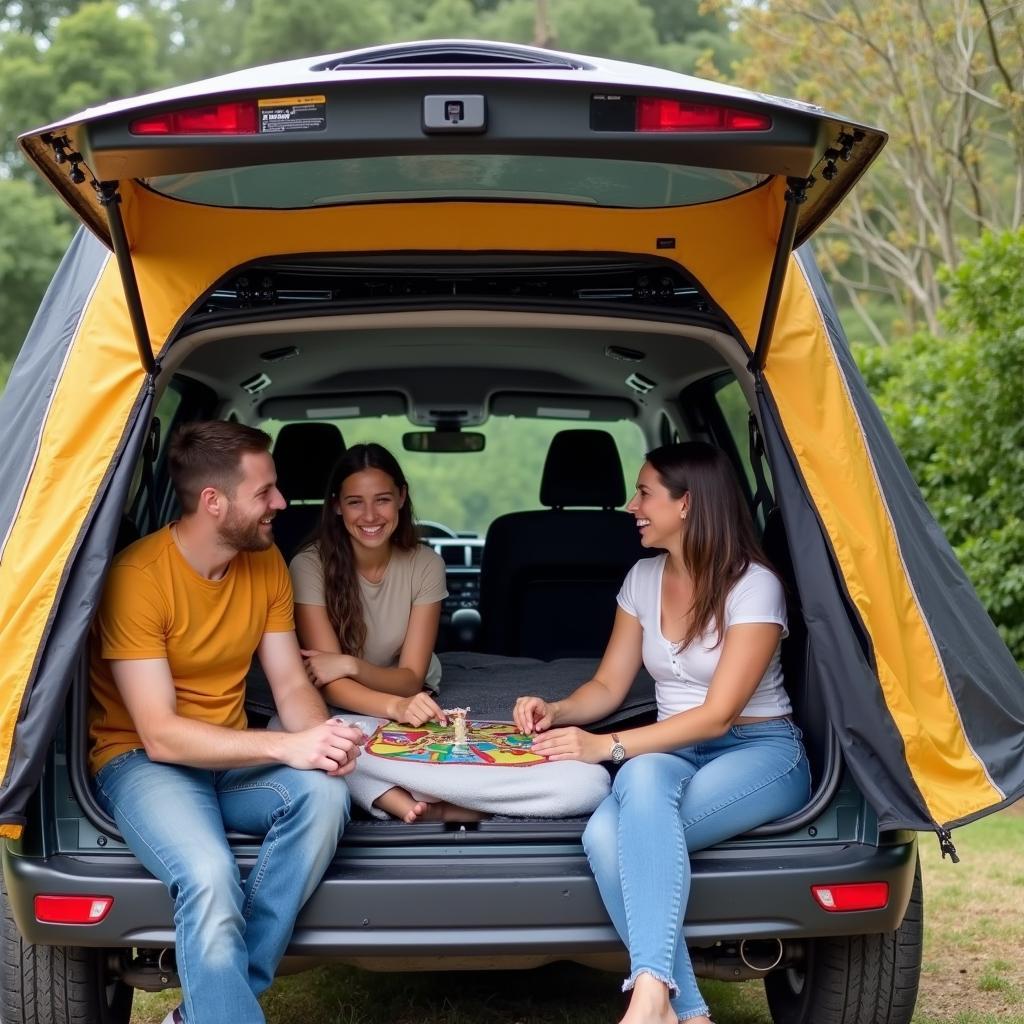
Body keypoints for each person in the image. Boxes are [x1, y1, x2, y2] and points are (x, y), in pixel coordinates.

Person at [513, 442, 811, 1024]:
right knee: (624, 803)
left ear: (688, 503)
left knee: (614, 834)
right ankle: (677, 1006)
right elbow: (607, 687)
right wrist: (557, 708)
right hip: (674, 750)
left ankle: (658, 998)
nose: (631, 506)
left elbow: (721, 714)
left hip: (760, 750)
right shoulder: (643, 578)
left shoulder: (755, 585)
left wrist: (608, 746)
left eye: (645, 492)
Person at [89, 421, 365, 1024]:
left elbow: (292, 683)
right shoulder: (138, 582)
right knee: (210, 875)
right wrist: (288, 745)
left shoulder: (262, 564)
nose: (282, 503)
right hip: (141, 760)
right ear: (214, 503)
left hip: (230, 759)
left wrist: (321, 740)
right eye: (265, 491)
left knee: (324, 793)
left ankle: (206, 1011)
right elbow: (160, 733)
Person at [289, 442, 459, 822]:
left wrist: (349, 664)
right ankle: (400, 802)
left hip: (408, 693)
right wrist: (395, 708)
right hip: (349, 703)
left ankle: (404, 795)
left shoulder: (426, 564)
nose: (370, 515)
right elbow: (329, 686)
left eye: (382, 499)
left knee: (447, 745)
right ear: (336, 505)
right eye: (355, 502)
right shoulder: (308, 566)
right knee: (309, 738)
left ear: (401, 497)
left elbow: (411, 679)